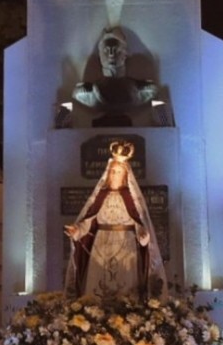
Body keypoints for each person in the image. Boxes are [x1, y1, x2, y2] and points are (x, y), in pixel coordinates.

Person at [64, 141, 167, 301]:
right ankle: (95, 315)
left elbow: (139, 222)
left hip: (126, 246)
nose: (114, 175)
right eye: (112, 171)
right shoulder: (100, 196)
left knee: (125, 287)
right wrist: (77, 231)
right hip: (101, 245)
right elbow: (90, 220)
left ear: (125, 176)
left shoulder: (131, 199)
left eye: (118, 172)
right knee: (98, 286)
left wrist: (144, 237)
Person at [72, 27, 158, 125]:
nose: (111, 55)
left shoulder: (144, 91)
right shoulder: (85, 93)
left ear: (125, 54)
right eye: (106, 51)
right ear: (100, 55)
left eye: (116, 50)